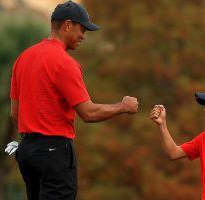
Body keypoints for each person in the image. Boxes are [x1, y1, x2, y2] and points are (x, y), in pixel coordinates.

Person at [8, 1, 139, 200]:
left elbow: (14, 113)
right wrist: (123, 106)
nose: (83, 36)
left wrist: (33, 141)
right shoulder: (64, 63)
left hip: (27, 151)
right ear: (67, 25)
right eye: (82, 29)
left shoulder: (23, 58)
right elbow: (88, 113)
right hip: (54, 152)